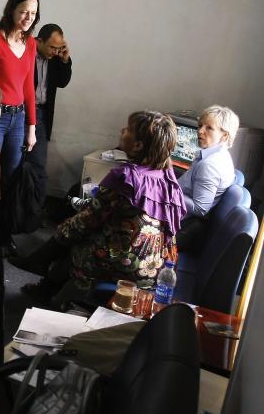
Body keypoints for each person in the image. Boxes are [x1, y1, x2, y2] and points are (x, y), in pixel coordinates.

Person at [10, 111, 186, 302]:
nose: (122, 131)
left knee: (77, 238)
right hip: (159, 266)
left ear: (138, 145)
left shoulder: (126, 177)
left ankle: (50, 284)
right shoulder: (169, 179)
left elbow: (88, 219)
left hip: (128, 263)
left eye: (128, 129)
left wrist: (59, 235)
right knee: (88, 233)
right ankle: (44, 278)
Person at [0, 0, 40, 251]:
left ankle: (3, 236)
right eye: (24, 10)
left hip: (18, 118)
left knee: (10, 180)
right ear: (11, 9)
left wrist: (32, 128)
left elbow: (28, 87)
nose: (28, 17)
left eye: (33, 13)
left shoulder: (32, 44)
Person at [176, 105, 239, 253]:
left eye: (209, 128)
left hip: (182, 222)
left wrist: (169, 191)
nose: (200, 131)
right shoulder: (217, 156)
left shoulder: (209, 165)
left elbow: (200, 208)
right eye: (200, 126)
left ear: (224, 135)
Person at [30, 24, 73, 214]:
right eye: (52, 47)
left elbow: (62, 83)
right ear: (39, 41)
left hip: (42, 113)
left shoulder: (56, 59)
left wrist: (65, 61)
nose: (55, 52)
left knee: (39, 164)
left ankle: (35, 212)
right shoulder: (26, 53)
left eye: (59, 47)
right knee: (12, 163)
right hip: (21, 111)